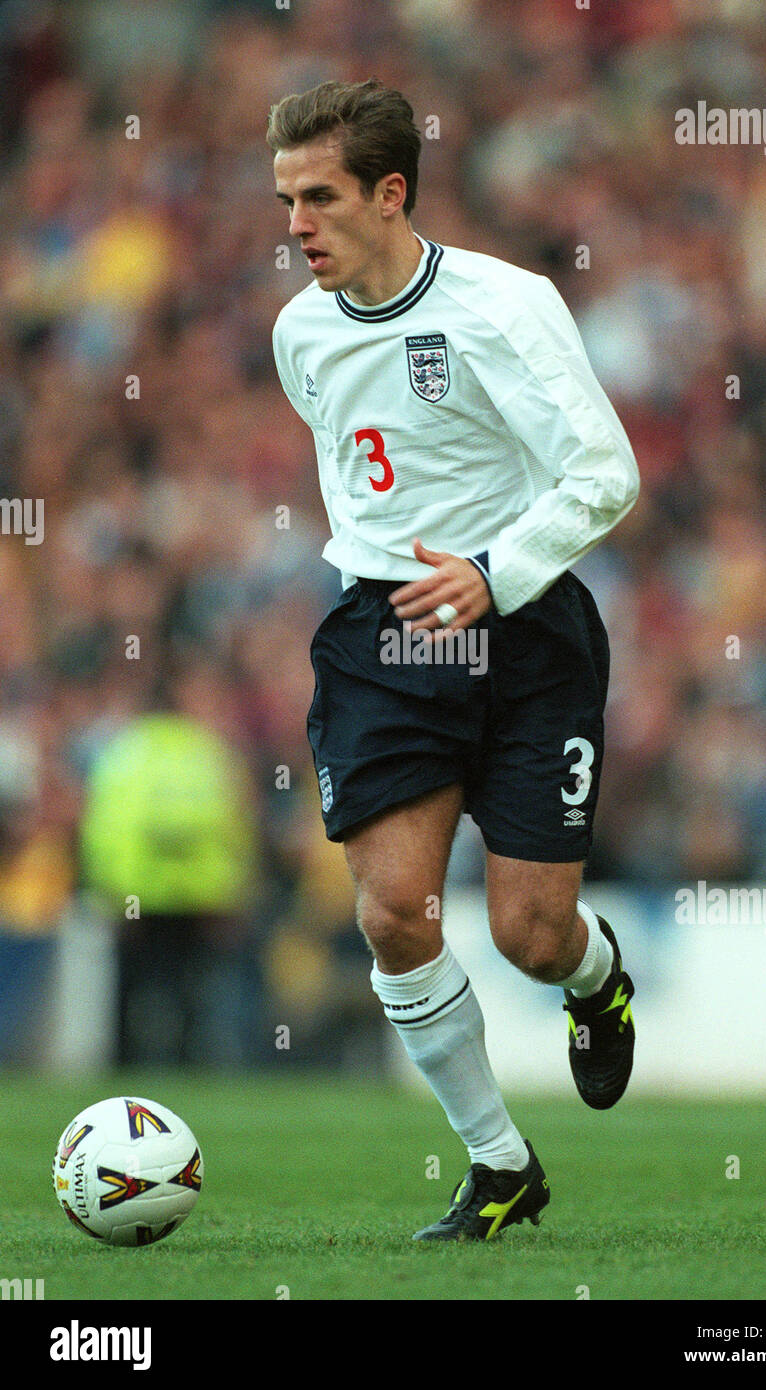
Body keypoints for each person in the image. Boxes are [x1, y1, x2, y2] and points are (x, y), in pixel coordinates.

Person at [269, 79, 640, 1242]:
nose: (294, 225)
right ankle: (499, 1165)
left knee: (532, 935)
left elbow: (603, 475)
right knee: (392, 914)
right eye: (284, 199)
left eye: (317, 197)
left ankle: (596, 981)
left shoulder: (503, 305)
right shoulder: (299, 333)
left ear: (390, 192)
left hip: (524, 634)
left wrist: (492, 567)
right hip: (384, 639)